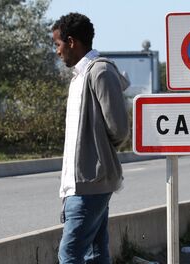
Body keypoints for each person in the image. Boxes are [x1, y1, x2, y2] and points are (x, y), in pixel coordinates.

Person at [52, 13, 130, 263]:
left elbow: (119, 129)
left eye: (58, 44)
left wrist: (99, 158)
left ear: (72, 41)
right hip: (80, 183)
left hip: (90, 182)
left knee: (70, 254)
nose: (57, 51)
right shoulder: (80, 75)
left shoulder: (100, 72)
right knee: (94, 254)